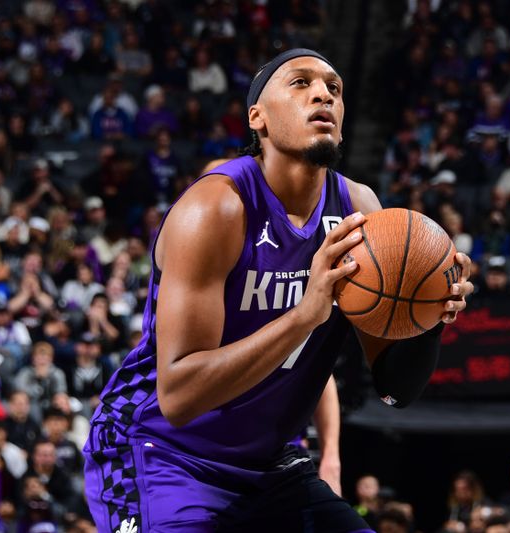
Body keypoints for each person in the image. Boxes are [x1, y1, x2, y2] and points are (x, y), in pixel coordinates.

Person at [84, 48, 473, 532]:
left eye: (334, 88)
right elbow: (179, 397)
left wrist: (430, 316)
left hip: (270, 464)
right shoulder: (215, 209)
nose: (323, 94)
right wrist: (303, 316)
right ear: (258, 118)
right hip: (162, 452)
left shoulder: (359, 211)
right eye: (301, 82)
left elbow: (396, 390)